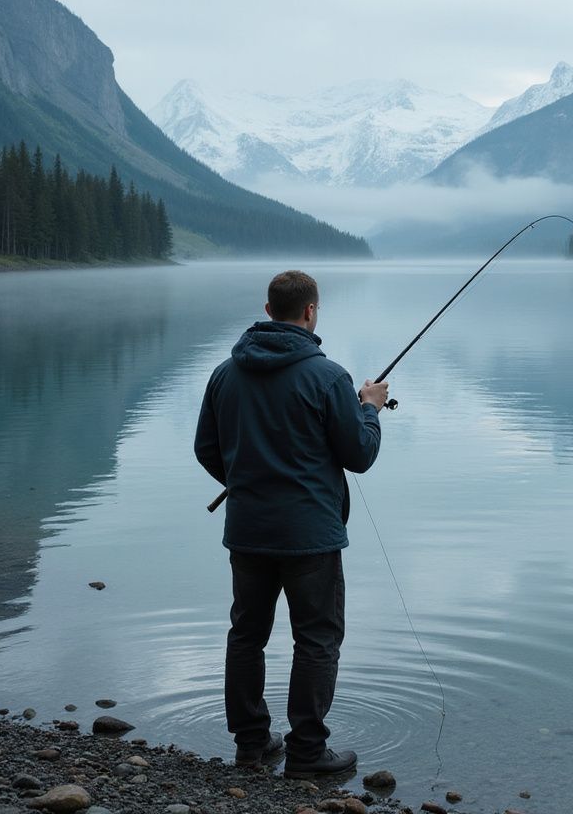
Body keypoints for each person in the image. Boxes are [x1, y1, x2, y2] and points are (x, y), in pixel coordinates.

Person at [194, 270, 389, 777]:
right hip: (310, 537)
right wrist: (370, 409)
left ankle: (251, 745)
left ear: (267, 310)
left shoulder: (223, 374)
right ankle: (306, 751)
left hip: (248, 531)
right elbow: (360, 454)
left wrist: (247, 481)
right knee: (317, 639)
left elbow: (206, 449)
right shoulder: (329, 379)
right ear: (309, 312)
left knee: (247, 634)